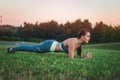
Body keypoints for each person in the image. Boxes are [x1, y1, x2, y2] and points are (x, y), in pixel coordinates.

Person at [7, 28, 92, 59]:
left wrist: (85, 57)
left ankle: (13, 49)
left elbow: (78, 57)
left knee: (32, 47)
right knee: (31, 48)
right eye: (88, 36)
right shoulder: (73, 42)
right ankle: (12, 49)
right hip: (48, 46)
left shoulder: (79, 45)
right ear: (82, 36)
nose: (89, 38)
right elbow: (71, 59)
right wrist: (85, 60)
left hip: (52, 43)